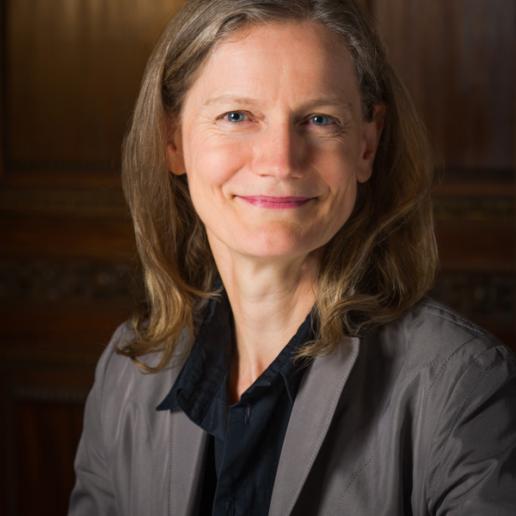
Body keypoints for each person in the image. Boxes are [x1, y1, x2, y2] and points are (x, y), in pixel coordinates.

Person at [68, 0, 516, 514]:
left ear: (366, 146)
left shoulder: (462, 383)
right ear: (173, 140)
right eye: (237, 116)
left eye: (320, 119)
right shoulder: (128, 369)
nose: (281, 161)